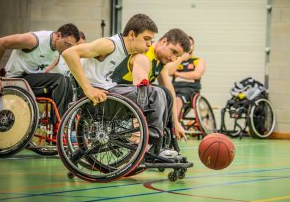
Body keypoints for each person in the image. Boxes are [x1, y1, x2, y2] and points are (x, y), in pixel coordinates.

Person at [62, 14, 172, 155]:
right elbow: (69, 53)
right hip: (97, 94)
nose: (149, 44)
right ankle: (150, 142)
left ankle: (153, 140)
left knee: (161, 91)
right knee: (154, 93)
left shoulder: (125, 51)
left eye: (151, 40)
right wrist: (87, 88)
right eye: (146, 39)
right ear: (132, 34)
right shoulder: (110, 44)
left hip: (107, 89)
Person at [109, 28, 191, 155]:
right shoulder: (144, 54)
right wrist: (138, 130)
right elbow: (139, 91)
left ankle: (158, 142)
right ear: (163, 41)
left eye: (178, 56)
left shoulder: (159, 62)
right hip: (113, 95)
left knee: (165, 92)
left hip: (126, 100)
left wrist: (176, 123)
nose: (173, 59)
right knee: (155, 92)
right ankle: (148, 142)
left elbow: (170, 90)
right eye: (173, 52)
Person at [0, 23, 81, 121]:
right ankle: (57, 125)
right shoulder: (34, 40)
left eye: (71, 47)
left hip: (31, 82)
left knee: (68, 82)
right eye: (67, 44)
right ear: (58, 35)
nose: (68, 49)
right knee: (60, 80)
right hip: (16, 80)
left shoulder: (57, 51)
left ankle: (65, 124)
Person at [167, 36, 206, 116]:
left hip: (190, 90)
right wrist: (181, 59)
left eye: (190, 44)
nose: (188, 47)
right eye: (186, 44)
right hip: (174, 88)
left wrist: (177, 74)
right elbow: (169, 72)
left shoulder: (198, 60)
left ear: (193, 46)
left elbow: (196, 75)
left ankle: (174, 124)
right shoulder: (176, 59)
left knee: (178, 99)